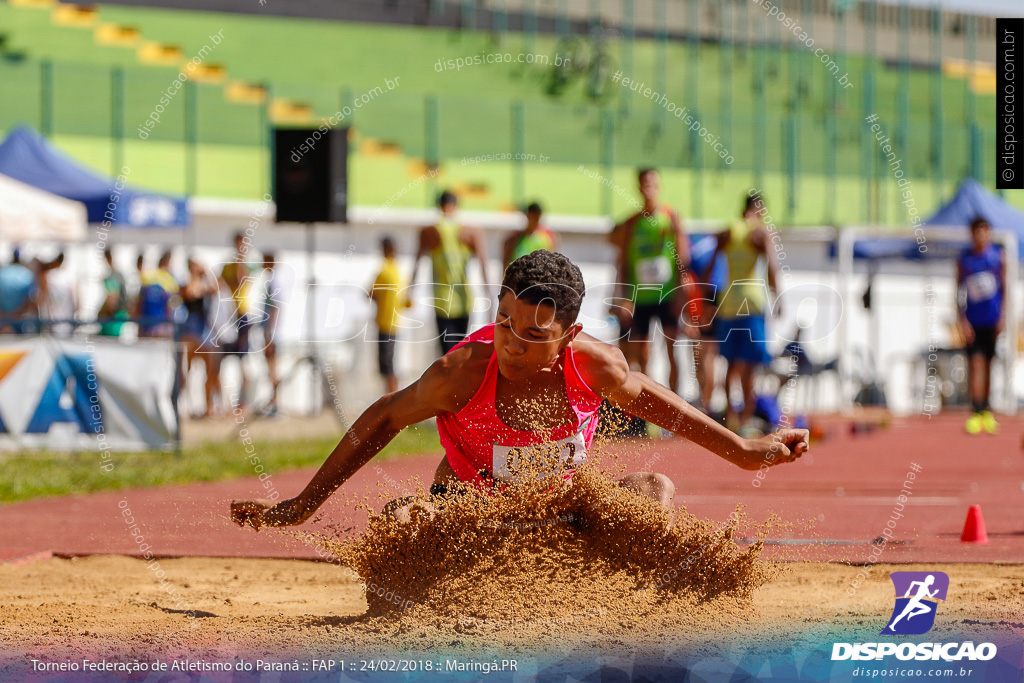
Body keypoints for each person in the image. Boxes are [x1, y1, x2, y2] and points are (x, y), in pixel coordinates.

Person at [230, 250, 809, 531]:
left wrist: (744, 451)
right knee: (402, 521)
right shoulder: (463, 370)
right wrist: (300, 506)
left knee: (653, 489)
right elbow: (383, 418)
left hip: (560, 511)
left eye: (533, 335)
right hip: (467, 511)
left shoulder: (597, 366)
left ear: (570, 334)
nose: (511, 342)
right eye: (504, 320)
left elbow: (663, 403)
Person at [609, 168, 691, 394]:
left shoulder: (670, 218)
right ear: (638, 187)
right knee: (642, 354)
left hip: (667, 296)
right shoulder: (632, 223)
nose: (649, 189)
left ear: (659, 186)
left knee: (672, 351)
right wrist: (624, 298)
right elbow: (623, 261)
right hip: (641, 298)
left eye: (653, 184)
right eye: (645, 185)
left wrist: (681, 293)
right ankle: (646, 412)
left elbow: (683, 258)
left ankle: (677, 409)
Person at [709, 193, 780, 436]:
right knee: (749, 366)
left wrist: (708, 297)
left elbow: (710, 263)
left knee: (730, 364)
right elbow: (772, 264)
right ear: (760, 210)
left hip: (729, 302)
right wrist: (778, 294)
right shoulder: (759, 232)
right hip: (751, 302)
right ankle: (747, 419)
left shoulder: (728, 231)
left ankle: (732, 418)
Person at [412, 191, 490, 355]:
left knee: (446, 353)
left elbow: (417, 261)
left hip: (441, 301)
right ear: (456, 206)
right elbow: (483, 261)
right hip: (464, 299)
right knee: (460, 350)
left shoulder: (430, 230)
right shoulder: (469, 230)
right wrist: (489, 293)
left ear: (439, 205)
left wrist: (410, 291)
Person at [957, 217, 1005, 435]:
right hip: (973, 322)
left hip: (991, 321)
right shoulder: (965, 260)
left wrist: (1003, 317)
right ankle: (976, 411)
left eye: (985, 232)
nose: (981, 236)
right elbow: (958, 291)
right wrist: (962, 319)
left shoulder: (997, 257)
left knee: (988, 366)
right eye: (977, 232)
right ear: (972, 234)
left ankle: (987, 409)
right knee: (975, 365)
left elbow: (1004, 289)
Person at [370, 238, 411, 395]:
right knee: (392, 362)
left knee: (387, 365)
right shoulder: (401, 271)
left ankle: (390, 398)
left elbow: (372, 293)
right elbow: (406, 300)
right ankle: (391, 396)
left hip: (385, 321)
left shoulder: (384, 270)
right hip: (398, 321)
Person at [220, 231, 254, 407]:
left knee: (243, 359)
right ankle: (223, 403)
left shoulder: (246, 265)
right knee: (221, 360)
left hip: (241, 316)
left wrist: (241, 259)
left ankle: (244, 402)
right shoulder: (226, 267)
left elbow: (242, 280)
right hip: (228, 317)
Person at [179, 256, 218, 411]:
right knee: (185, 370)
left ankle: (207, 405)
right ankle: (183, 404)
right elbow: (191, 293)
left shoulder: (202, 283)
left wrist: (206, 274)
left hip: (202, 331)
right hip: (190, 331)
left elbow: (216, 289)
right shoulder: (187, 283)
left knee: (210, 369)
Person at [256, 252, 285, 416]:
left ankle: (275, 405)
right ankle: (274, 403)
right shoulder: (273, 280)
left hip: (272, 333)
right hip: (272, 332)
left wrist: (269, 334)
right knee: (272, 368)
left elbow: (275, 308)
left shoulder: (274, 281)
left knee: (272, 369)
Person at [136, 250, 181, 338]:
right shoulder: (170, 280)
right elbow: (172, 308)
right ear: (168, 263)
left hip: (146, 325)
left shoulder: (146, 277)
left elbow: (139, 303)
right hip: (160, 327)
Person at [502, 202, 558, 268]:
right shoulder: (514, 239)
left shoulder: (546, 237)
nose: (535, 221)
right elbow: (506, 262)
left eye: (537, 218)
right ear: (528, 216)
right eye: (533, 217)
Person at [0, 252, 38, 334]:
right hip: (20, 321)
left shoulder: (2, 272)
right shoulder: (27, 274)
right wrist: (17, 314)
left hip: (2, 321)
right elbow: (32, 301)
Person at [98, 248, 130, 337]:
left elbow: (112, 298)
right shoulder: (118, 275)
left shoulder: (113, 277)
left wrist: (104, 313)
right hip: (119, 314)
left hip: (114, 317)